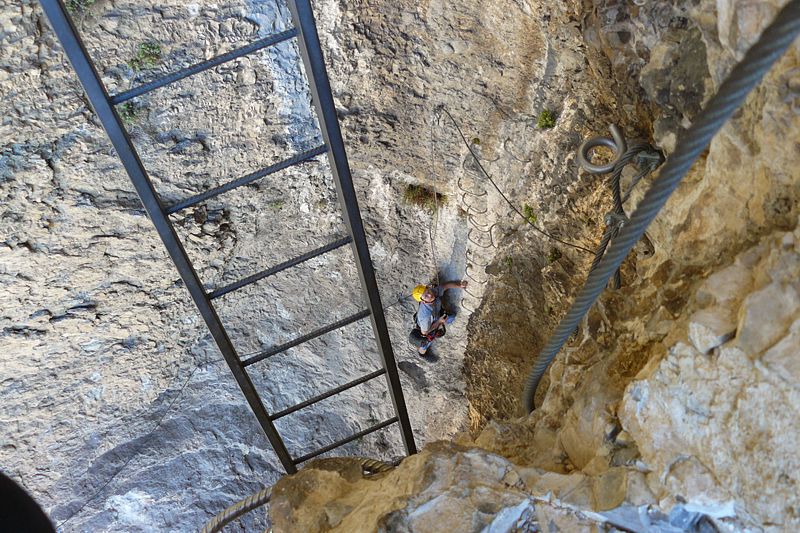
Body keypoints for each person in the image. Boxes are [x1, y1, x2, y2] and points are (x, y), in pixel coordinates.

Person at [411, 280, 468, 356]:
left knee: (451, 317)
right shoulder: (425, 316)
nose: (430, 295)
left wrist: (459, 286)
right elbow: (425, 332)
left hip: (435, 315)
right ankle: (422, 353)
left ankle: (444, 321)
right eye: (425, 296)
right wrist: (439, 322)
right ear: (423, 301)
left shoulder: (432, 292)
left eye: (427, 291)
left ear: (428, 288)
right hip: (427, 327)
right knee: (425, 344)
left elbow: (445, 286)